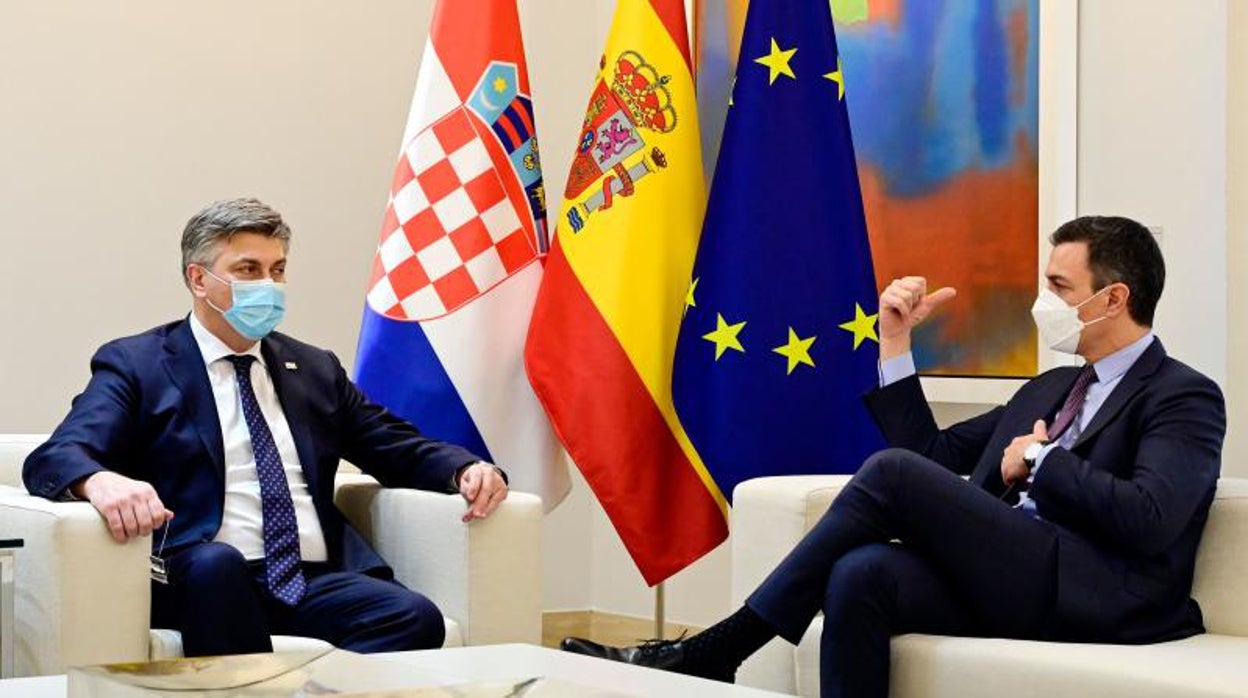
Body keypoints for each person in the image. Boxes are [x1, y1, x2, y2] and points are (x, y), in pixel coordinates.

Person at [561, 216, 1226, 697]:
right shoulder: (1052, 387)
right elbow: (928, 458)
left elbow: (1151, 518)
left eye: (1058, 285)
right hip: (1014, 578)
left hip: (1098, 594)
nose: (1043, 303)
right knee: (862, 570)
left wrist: (1046, 462)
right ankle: (717, 655)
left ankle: (719, 648)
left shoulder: (1183, 396)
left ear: (1113, 298)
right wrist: (895, 343)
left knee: (888, 479)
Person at [24, 198, 510, 657]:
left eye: (277, 270)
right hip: (201, 571)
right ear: (198, 279)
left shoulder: (313, 367)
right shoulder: (139, 364)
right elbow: (58, 455)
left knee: (413, 616)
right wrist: (100, 480)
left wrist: (463, 468)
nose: (269, 286)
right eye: (248, 270)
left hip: (308, 576)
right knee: (219, 567)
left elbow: (389, 443)